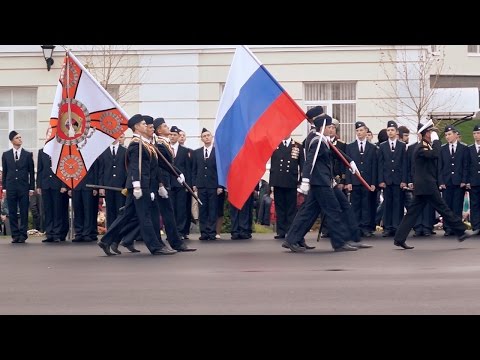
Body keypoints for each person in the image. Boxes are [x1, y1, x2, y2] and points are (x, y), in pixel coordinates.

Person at [98, 114, 175, 256]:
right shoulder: (136, 144)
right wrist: (137, 185)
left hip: (145, 185)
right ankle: (155, 246)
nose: (146, 126)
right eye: (144, 124)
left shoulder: (145, 144)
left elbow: (154, 167)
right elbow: (135, 167)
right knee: (145, 216)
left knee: (127, 215)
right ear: (137, 127)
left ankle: (106, 240)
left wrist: (160, 184)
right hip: (139, 186)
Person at [283, 115, 360, 252]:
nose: (331, 130)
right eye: (329, 127)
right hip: (321, 183)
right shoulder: (316, 141)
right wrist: (305, 180)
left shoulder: (323, 140)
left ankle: (291, 239)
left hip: (321, 182)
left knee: (308, 212)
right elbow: (310, 161)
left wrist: (350, 162)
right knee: (333, 210)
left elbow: (336, 153)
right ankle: (339, 243)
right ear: (322, 127)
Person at [393, 122, 474, 249]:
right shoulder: (421, 147)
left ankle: (399, 238)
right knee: (444, 208)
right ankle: (461, 231)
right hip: (427, 186)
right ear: (426, 134)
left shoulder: (426, 146)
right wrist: (437, 141)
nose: (432, 135)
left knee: (413, 213)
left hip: (425, 186)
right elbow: (435, 154)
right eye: (430, 133)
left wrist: (434, 142)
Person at [1, 131, 35, 243]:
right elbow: (5, 172)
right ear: (12, 141)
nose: (20, 139)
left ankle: (23, 234)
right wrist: (4, 188)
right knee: (12, 211)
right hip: (11, 187)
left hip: (23, 187)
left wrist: (31, 188)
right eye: (17, 137)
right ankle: (15, 235)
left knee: (24, 211)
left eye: (20, 137)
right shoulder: (6, 155)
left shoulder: (28, 154)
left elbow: (31, 172)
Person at [269, 134, 305, 239]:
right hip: (278, 181)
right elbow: (273, 166)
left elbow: (302, 164)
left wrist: (302, 181)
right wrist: (271, 184)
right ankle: (281, 231)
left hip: (291, 181)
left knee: (291, 207)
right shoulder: (275, 144)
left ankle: (290, 230)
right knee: (280, 207)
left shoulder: (297, 146)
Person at [377, 120, 407, 237]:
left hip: (398, 180)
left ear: (397, 132)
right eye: (388, 130)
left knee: (398, 203)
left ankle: (397, 226)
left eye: (392, 130)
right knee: (388, 203)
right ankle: (388, 227)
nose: (390, 132)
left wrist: (404, 180)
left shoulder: (402, 145)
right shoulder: (382, 146)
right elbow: (380, 164)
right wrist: (381, 180)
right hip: (387, 179)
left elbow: (404, 164)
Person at [191, 128, 222, 241]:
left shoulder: (216, 152)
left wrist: (220, 185)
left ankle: (212, 232)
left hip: (213, 185)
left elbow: (220, 170)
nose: (206, 137)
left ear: (211, 137)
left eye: (208, 135)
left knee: (212, 209)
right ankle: (204, 232)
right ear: (201, 138)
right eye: (204, 136)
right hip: (201, 185)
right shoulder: (197, 152)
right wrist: (194, 183)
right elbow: (194, 169)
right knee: (202, 209)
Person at [438, 125, 468, 236]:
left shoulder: (463, 148)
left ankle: (457, 228)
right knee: (447, 206)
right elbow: (439, 167)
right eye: (446, 135)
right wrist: (441, 182)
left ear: (456, 135)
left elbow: (465, 166)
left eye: (449, 134)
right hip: (446, 182)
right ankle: (447, 227)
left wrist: (464, 180)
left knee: (457, 206)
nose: (447, 137)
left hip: (458, 182)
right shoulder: (442, 148)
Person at [37, 147, 69, 242]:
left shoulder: (60, 150)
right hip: (46, 184)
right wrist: (39, 185)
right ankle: (49, 233)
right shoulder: (41, 151)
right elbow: (40, 169)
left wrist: (64, 185)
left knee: (57, 210)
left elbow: (64, 168)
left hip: (57, 184)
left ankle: (57, 233)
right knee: (48, 210)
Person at [98, 134, 127, 229]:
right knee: (110, 209)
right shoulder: (103, 151)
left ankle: (120, 231)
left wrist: (127, 185)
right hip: (108, 185)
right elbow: (101, 170)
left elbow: (127, 169)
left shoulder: (125, 151)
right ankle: (110, 231)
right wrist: (101, 186)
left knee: (120, 208)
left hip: (121, 185)